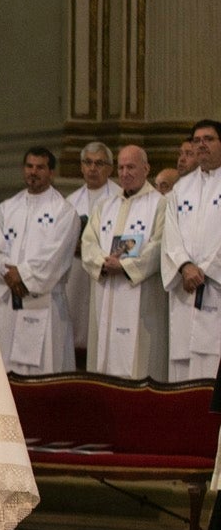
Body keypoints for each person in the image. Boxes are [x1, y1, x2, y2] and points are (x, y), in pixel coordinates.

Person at [0, 147, 78, 374]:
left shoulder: (64, 211)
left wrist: (23, 275)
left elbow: (56, 255)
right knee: (6, 372)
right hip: (10, 304)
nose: (33, 172)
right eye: (29, 166)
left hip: (44, 304)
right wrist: (10, 275)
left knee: (45, 370)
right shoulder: (6, 208)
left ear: (52, 172)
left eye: (40, 167)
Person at [81, 146, 167, 379]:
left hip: (141, 296)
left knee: (138, 366)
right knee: (105, 364)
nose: (125, 172)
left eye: (131, 166)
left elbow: (159, 246)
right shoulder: (105, 205)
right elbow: (88, 243)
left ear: (146, 168)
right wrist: (102, 262)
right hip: (106, 292)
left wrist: (127, 266)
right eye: (120, 167)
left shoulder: (160, 204)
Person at [161, 120, 221, 381]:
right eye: (197, 140)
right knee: (183, 377)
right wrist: (185, 267)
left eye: (208, 139)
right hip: (185, 292)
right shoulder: (181, 188)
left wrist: (205, 270)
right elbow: (170, 235)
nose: (201, 145)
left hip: (216, 289)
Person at [66, 142, 115, 355]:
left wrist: (92, 249)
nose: (93, 168)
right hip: (76, 271)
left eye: (99, 163)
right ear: (81, 166)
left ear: (110, 168)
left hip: (106, 271)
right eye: (88, 162)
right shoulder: (69, 202)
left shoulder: (119, 197)